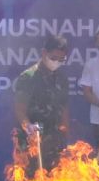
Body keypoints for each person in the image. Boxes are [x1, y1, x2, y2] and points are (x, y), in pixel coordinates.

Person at [14, 35, 72, 171]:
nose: (56, 62)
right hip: (32, 143)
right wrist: (28, 127)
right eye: (53, 58)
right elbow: (19, 110)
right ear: (44, 53)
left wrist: (65, 134)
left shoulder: (62, 79)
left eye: (61, 60)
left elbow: (64, 109)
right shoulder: (28, 77)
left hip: (54, 142)